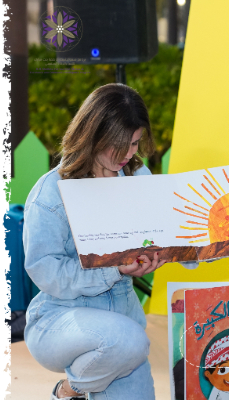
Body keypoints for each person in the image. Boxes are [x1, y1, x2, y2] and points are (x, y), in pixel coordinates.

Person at [23, 83, 167, 400]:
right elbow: (45, 271)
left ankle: (81, 386)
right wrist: (114, 269)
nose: (129, 154)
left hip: (122, 334)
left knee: (128, 342)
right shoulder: (51, 192)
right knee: (130, 340)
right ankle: (69, 390)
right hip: (60, 322)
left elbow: (173, 238)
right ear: (93, 136)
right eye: (120, 145)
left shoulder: (138, 177)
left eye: (135, 143)